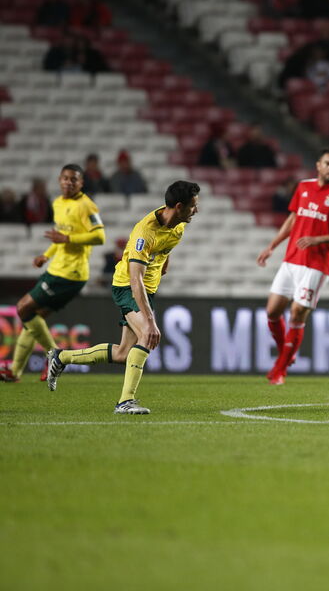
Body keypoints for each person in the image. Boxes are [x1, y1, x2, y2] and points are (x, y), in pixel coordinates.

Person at [46, 181, 199, 414]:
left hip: (147, 289)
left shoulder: (178, 224)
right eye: (193, 206)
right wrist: (149, 320)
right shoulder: (144, 233)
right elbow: (135, 279)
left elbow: (166, 247)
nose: (195, 210)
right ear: (179, 206)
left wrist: (163, 263)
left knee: (123, 354)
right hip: (128, 287)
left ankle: (61, 356)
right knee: (147, 335)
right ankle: (125, 401)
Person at [256, 148, 329, 385]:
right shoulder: (303, 187)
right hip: (291, 260)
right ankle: (286, 354)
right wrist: (272, 245)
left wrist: (319, 239)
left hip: (316, 265)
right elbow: (293, 219)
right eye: (328, 163)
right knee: (272, 312)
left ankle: (279, 371)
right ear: (318, 165)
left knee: (297, 313)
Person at [1, 165, 105, 384]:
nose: (68, 182)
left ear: (81, 183)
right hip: (56, 268)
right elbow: (60, 237)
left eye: (73, 180)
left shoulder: (87, 206)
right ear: (59, 180)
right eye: (65, 178)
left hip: (70, 275)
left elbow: (100, 236)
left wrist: (69, 240)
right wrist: (46, 255)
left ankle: (54, 355)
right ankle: (15, 371)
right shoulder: (57, 203)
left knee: (23, 308)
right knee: (33, 319)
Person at [42, 32, 109, 75]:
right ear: (62, 40)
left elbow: (100, 68)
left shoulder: (88, 53)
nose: (69, 42)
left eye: (71, 40)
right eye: (67, 40)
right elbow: (47, 66)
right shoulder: (54, 51)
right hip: (59, 77)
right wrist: (62, 64)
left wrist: (85, 63)